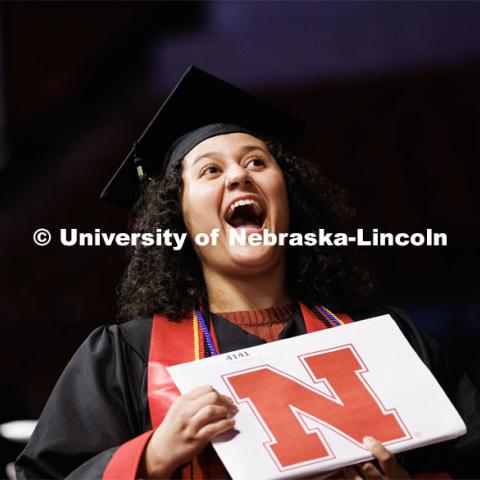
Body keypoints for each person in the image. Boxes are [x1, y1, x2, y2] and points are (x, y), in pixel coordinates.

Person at [15, 66, 480, 479]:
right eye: (210, 170)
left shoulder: (386, 339)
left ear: (289, 200)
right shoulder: (123, 360)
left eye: (257, 161)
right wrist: (151, 459)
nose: (239, 176)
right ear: (178, 222)